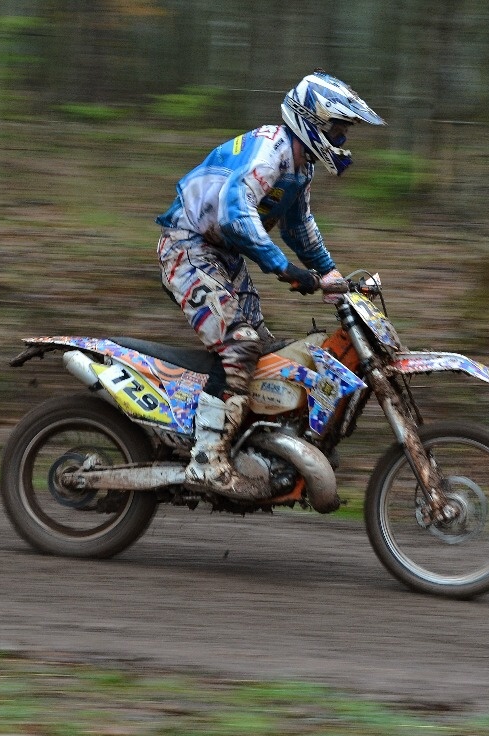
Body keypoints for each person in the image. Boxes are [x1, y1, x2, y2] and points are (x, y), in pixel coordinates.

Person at [155, 70, 385, 497]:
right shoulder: (269, 152)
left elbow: (299, 227)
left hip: (221, 255)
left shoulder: (299, 167)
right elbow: (235, 213)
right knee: (240, 345)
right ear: (313, 122)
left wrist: (331, 275)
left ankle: (252, 448)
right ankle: (206, 460)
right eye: (338, 129)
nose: (342, 138)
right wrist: (283, 268)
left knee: (264, 352)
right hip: (187, 247)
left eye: (344, 131)